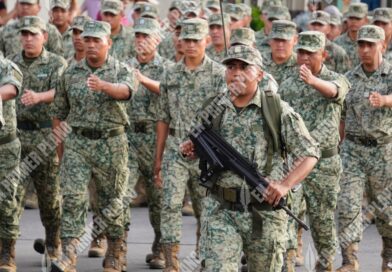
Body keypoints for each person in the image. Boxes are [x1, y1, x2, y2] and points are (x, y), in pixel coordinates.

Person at [180, 44, 319, 271]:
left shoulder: (277, 110)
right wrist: (191, 150)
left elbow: (311, 153)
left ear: (260, 74)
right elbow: (198, 147)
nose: (236, 72)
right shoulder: (213, 108)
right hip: (221, 211)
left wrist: (285, 185)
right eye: (231, 67)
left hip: (264, 214)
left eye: (245, 67)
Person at [50, 20, 138, 272]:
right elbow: (58, 111)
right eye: (86, 39)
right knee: (73, 198)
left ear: (108, 43)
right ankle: (68, 254)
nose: (90, 44)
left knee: (112, 201)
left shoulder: (122, 69)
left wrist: (104, 86)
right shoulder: (70, 73)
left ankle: (114, 251)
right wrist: (61, 149)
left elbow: (126, 91)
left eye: (96, 40)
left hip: (111, 143)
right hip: (77, 143)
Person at [154, 18, 225, 271]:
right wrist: (159, 159)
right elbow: (163, 117)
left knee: (206, 207)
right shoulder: (170, 74)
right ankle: (171, 260)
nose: (192, 44)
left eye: (197, 39)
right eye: (187, 40)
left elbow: (225, 119)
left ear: (206, 41)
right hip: (175, 147)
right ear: (180, 42)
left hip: (206, 150)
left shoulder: (219, 75)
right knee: (170, 204)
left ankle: (203, 255)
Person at [279, 31, 350, 271]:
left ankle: (325, 264)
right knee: (286, 216)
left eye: (311, 53)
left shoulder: (338, 79)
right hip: (294, 163)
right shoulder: (287, 84)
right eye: (301, 52)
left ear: (324, 54)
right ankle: (286, 264)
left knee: (322, 220)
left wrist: (312, 81)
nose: (305, 58)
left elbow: (334, 92)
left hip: (325, 165)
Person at [9, 15, 67, 266]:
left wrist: (41, 97)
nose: (29, 38)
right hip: (17, 138)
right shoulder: (10, 62)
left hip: (46, 137)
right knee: (10, 197)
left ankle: (53, 243)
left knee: (50, 198)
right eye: (25, 34)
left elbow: (62, 92)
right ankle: (7, 250)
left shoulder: (56, 63)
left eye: (34, 34)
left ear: (44, 36)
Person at [337, 25, 392, 272]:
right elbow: (341, 116)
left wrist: (385, 100)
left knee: (387, 210)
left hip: (384, 151)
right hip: (353, 150)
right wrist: (340, 145)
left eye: (371, 44)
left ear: (383, 45)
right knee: (347, 205)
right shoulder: (349, 78)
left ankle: (389, 256)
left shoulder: (389, 75)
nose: (365, 49)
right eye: (361, 44)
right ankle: (349, 260)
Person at [126, 17, 173, 270]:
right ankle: (117, 248)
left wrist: (143, 79)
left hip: (157, 140)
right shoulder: (124, 67)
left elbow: (169, 92)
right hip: (128, 139)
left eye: (147, 36)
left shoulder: (168, 68)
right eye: (138, 36)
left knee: (159, 200)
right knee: (120, 194)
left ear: (157, 40)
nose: (142, 41)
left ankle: (160, 247)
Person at [0, 54, 23, 272]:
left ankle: (7, 251)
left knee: (6, 200)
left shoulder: (7, 66)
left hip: (4, 146)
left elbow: (11, 89)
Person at [263, 20, 298, 85]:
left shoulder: (301, 65)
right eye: (276, 39)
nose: (280, 44)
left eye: (285, 40)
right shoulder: (258, 63)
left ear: (295, 40)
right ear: (269, 40)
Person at [335, 3, 369, 70]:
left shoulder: (370, 43)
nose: (353, 22)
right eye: (351, 18)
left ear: (366, 20)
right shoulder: (337, 42)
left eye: (357, 18)